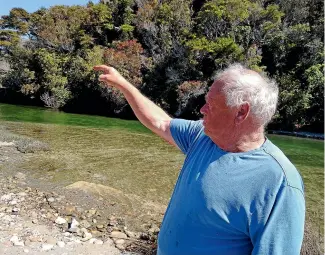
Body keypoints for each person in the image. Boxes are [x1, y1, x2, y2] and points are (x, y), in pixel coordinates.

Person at [94, 63, 305, 255]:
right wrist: (122, 84)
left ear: (241, 112)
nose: (202, 110)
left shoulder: (279, 183)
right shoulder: (201, 136)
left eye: (211, 104)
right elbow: (161, 123)